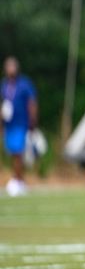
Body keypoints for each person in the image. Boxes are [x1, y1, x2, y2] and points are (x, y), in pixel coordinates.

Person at [2, 56, 38, 197]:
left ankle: (17, 181)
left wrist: (32, 121)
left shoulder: (24, 84)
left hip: (21, 123)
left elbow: (32, 103)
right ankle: (20, 181)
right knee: (13, 153)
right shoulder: (4, 85)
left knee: (18, 153)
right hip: (9, 124)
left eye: (13, 66)